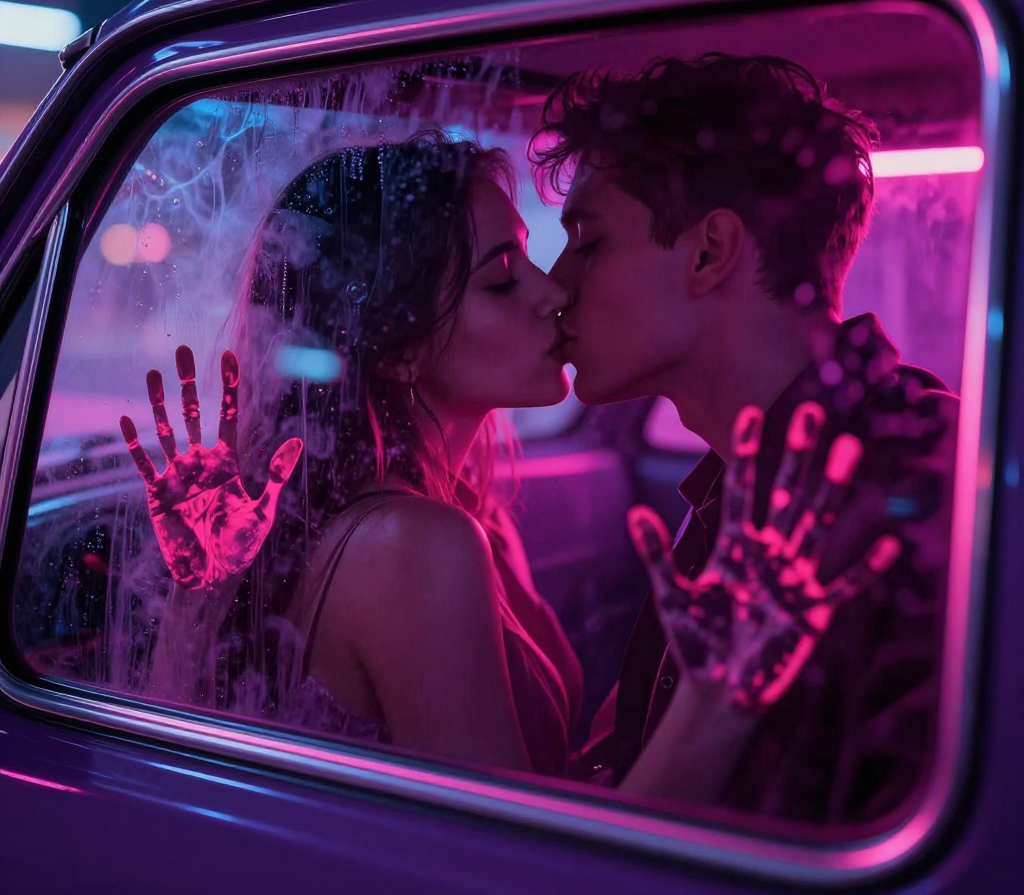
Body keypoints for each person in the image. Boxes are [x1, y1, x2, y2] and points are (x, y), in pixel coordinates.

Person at [121, 125, 904, 803]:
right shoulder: (416, 544)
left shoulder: (468, 513)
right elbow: (518, 874)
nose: (553, 291)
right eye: (501, 280)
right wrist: (720, 699)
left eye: (536, 257)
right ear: (400, 347)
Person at [530, 53, 956, 824]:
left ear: (709, 252)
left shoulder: (923, 497)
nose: (554, 286)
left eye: (588, 242)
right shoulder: (759, 468)